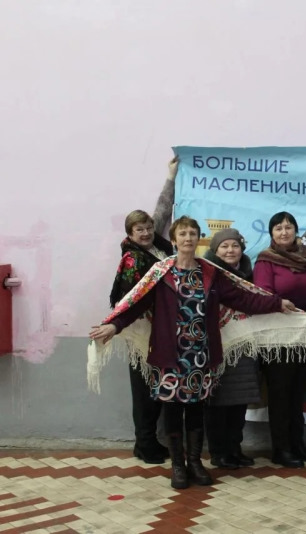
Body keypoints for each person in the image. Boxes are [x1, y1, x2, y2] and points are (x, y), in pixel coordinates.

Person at [89, 216, 297, 489]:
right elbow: (137, 304)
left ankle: (195, 463)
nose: (188, 238)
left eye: (192, 234)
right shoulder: (160, 273)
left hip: (200, 357)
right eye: (183, 234)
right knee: (173, 412)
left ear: (198, 239)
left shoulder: (210, 273)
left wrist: (276, 303)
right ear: (174, 240)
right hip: (169, 357)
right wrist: (114, 325)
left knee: (197, 412)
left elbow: (241, 298)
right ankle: (178, 466)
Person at [107, 158, 177, 465]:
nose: (147, 232)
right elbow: (130, 299)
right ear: (130, 233)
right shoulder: (133, 260)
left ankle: (149, 441)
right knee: (144, 389)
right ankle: (145, 444)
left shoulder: (158, 245)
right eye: (140, 229)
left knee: (157, 386)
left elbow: (162, 209)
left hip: (161, 329)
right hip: (140, 332)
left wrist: (171, 176)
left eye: (149, 227)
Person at [253, 211, 306, 468]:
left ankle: (297, 443)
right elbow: (261, 294)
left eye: (288, 227)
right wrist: (279, 303)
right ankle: (281, 449)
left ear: (295, 230)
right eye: (279, 228)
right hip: (278, 338)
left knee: (298, 393)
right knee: (281, 394)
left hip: (304, 335)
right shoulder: (265, 260)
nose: (284, 232)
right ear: (271, 233)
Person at [201, 228, 260, 469]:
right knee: (218, 402)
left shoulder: (249, 275)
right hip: (217, 346)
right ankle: (219, 452)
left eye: (234, 245)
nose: (230, 250)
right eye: (224, 246)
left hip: (243, 345)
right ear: (215, 251)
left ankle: (235, 448)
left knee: (239, 400)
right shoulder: (207, 274)